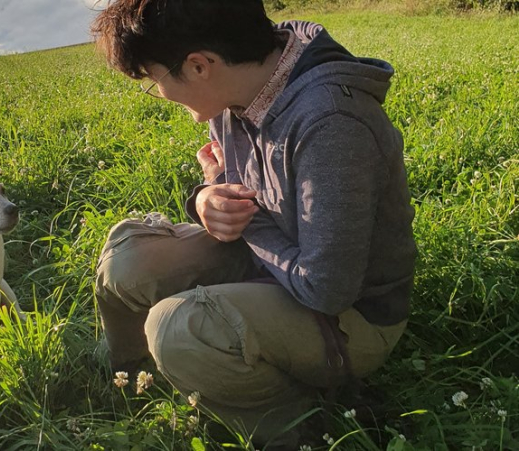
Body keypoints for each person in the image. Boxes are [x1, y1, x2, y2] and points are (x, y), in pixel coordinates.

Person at [90, 0, 417, 447]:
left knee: (179, 329)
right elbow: (237, 180)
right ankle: (132, 375)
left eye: (154, 80)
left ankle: (304, 426)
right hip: (275, 262)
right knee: (126, 255)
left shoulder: (332, 124)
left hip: (352, 314)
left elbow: (328, 287)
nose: (159, 93)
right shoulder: (241, 83)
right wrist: (209, 195)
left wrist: (248, 224)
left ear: (199, 65)